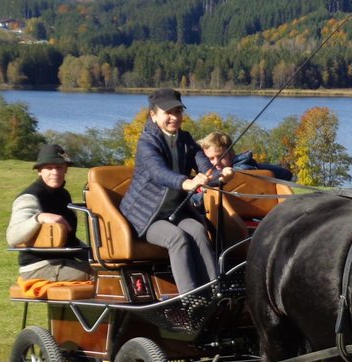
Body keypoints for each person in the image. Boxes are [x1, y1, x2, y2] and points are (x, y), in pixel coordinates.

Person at [120, 88, 218, 294]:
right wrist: (186, 183)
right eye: (168, 113)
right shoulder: (147, 143)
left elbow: (205, 167)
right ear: (153, 115)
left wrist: (220, 175)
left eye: (178, 112)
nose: (175, 117)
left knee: (199, 231)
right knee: (177, 238)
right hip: (146, 215)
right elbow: (159, 173)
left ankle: (214, 290)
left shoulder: (186, 140)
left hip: (176, 211)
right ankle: (190, 298)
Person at [7, 143, 91, 281]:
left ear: (66, 169)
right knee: (103, 277)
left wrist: (98, 257)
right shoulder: (29, 197)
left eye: (59, 167)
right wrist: (39, 218)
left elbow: (71, 240)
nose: (55, 172)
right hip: (38, 267)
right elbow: (13, 238)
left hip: (66, 262)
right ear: (39, 171)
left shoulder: (64, 195)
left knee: (110, 270)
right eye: (49, 168)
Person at [198, 130, 293, 184]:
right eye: (211, 158)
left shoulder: (243, 167)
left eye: (221, 156)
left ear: (231, 153)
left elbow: (286, 174)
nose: (216, 162)